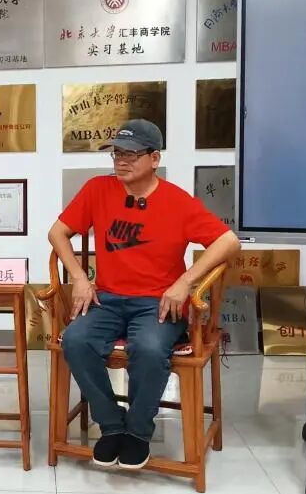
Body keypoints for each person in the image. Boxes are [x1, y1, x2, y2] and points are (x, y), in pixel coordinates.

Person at [47, 118, 240, 470]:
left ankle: (137, 433)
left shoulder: (177, 201)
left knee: (149, 348)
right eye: (117, 154)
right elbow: (57, 233)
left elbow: (228, 242)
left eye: (131, 155)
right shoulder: (97, 189)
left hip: (157, 303)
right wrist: (78, 277)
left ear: (154, 158)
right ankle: (111, 426)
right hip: (106, 299)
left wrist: (186, 282)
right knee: (75, 340)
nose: (122, 161)